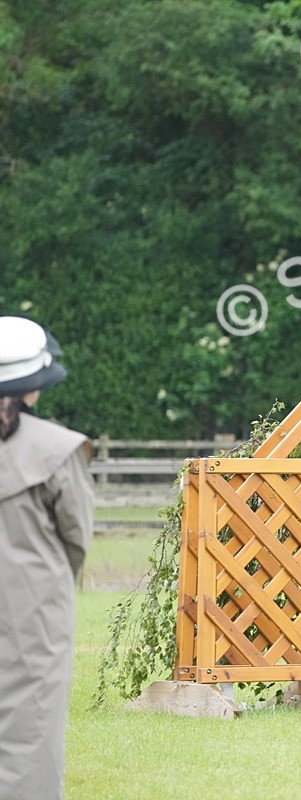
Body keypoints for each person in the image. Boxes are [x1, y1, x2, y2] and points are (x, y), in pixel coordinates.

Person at [0, 317, 94, 800]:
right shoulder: (58, 449)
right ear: (34, 386)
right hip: (32, 615)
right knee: (31, 733)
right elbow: (77, 539)